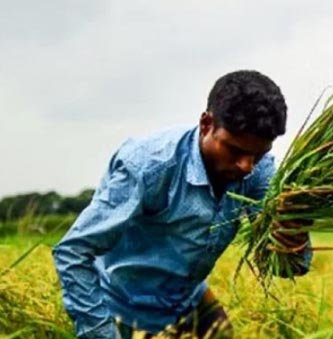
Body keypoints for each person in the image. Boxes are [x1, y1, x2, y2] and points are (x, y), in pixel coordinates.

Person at [52, 70, 312, 339]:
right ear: (206, 124)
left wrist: (293, 239)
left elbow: (283, 266)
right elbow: (73, 251)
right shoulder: (148, 166)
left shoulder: (260, 171)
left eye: (259, 154)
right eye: (234, 150)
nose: (246, 166)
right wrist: (100, 333)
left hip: (189, 300)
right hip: (123, 307)